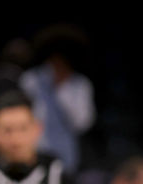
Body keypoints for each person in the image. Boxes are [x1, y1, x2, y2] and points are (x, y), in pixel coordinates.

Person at [19, 24, 95, 174]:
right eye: (55, 58)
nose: (59, 63)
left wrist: (62, 88)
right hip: (34, 154)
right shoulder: (31, 80)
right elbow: (23, 116)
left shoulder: (80, 85)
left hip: (66, 158)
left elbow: (82, 123)